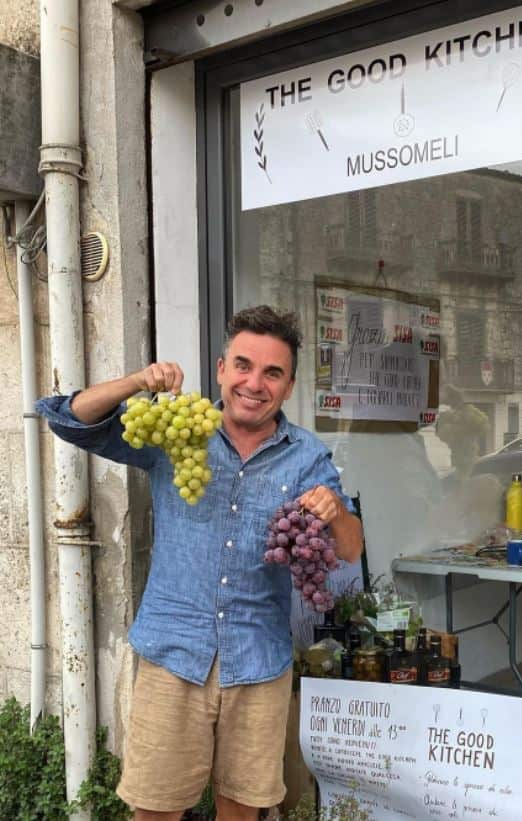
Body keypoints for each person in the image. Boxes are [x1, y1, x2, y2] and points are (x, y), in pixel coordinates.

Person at [36, 305, 363, 821]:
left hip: (257, 661)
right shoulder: (178, 429)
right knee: (156, 811)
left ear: (289, 385)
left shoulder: (307, 456)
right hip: (173, 653)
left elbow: (350, 549)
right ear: (220, 369)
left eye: (272, 372)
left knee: (241, 809)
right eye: (243, 365)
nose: (254, 383)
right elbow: (65, 417)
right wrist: (139, 381)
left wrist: (334, 510)